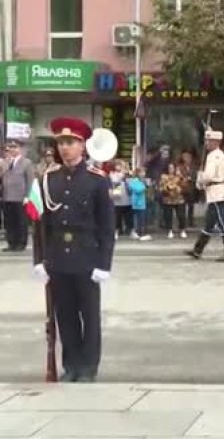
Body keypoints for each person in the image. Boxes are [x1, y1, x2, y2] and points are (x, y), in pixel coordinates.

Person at [32, 118, 116, 382]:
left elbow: (106, 227)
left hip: (86, 256)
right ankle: (71, 365)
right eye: (61, 143)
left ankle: (88, 367)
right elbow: (41, 224)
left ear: (82, 146)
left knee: (89, 316)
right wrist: (39, 260)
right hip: (57, 256)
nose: (65, 148)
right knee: (65, 315)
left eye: (70, 143)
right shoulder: (48, 179)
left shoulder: (97, 181)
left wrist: (104, 264)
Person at [186, 129, 224, 261]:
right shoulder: (221, 155)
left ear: (215, 142)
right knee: (209, 224)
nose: (206, 143)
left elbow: (209, 176)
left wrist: (200, 178)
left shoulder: (212, 156)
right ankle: (197, 250)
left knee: (223, 222)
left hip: (216, 193)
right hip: (216, 191)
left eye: (209, 141)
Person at [1, 140, 35, 251]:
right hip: (7, 196)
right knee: (9, 222)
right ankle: (11, 243)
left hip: (20, 197)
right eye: (10, 147)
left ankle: (21, 243)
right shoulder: (6, 162)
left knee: (21, 221)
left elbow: (30, 180)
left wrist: (27, 196)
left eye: (14, 147)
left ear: (19, 149)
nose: (12, 149)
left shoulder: (26, 162)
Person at [160, 163, 187, 239]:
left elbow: (184, 185)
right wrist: (167, 190)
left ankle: (182, 230)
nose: (171, 169)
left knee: (181, 215)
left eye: (172, 168)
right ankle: (169, 230)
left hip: (179, 199)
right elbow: (161, 187)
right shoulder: (164, 177)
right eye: (169, 168)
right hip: (168, 199)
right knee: (168, 216)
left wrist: (181, 178)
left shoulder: (179, 176)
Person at [109, 160, 133, 237]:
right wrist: (122, 175)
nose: (120, 167)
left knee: (128, 216)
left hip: (127, 199)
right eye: (118, 165)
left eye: (121, 165)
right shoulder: (112, 174)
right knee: (117, 217)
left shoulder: (127, 175)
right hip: (118, 200)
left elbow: (130, 184)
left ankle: (129, 230)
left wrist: (127, 176)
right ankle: (117, 230)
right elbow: (115, 182)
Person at [127, 169, 152, 241]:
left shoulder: (141, 181)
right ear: (138, 173)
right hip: (137, 203)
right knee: (139, 219)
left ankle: (139, 233)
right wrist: (144, 185)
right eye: (142, 172)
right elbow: (138, 189)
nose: (144, 174)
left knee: (142, 219)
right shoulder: (134, 181)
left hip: (142, 203)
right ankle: (139, 234)